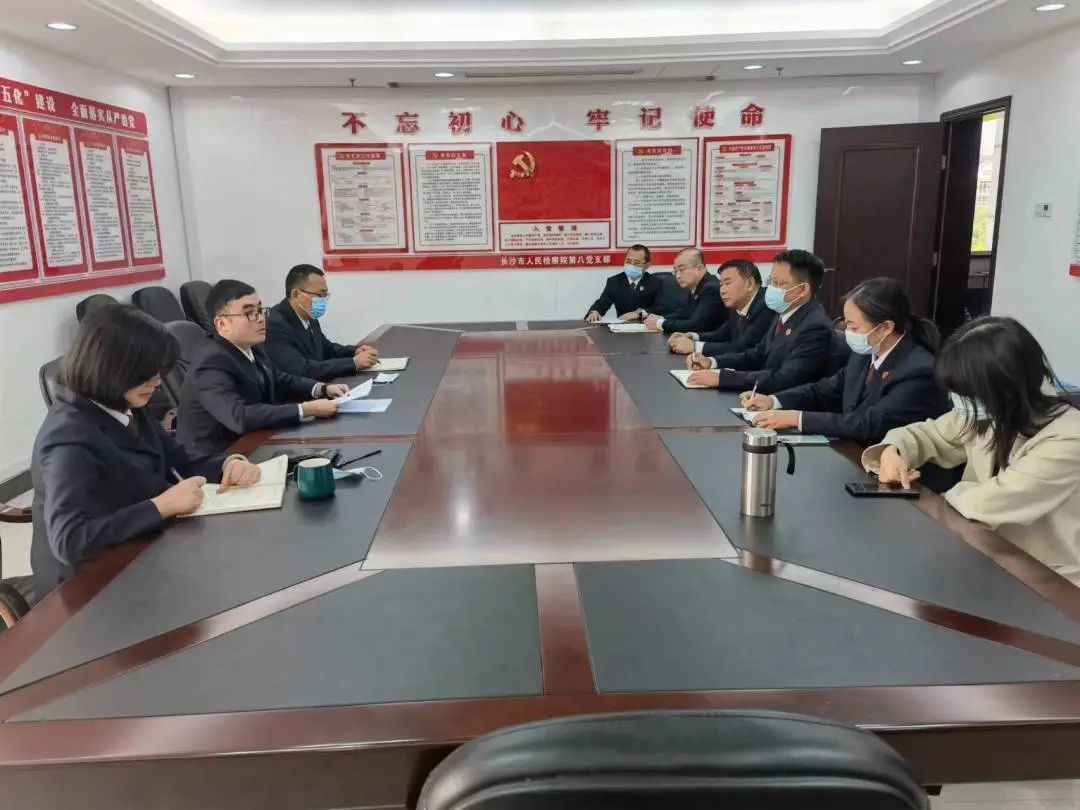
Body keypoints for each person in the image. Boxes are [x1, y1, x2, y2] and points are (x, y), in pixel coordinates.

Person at [30, 305, 263, 595]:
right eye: (146, 373)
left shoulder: (124, 402)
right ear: (111, 368)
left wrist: (228, 464)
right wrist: (161, 506)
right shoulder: (68, 438)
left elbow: (179, 459)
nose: (158, 382)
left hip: (140, 549)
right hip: (85, 588)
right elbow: (69, 540)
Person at [863, 316, 1080, 584]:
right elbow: (928, 434)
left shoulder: (1069, 438)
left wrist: (947, 495)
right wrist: (893, 451)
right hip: (983, 555)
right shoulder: (987, 413)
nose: (958, 402)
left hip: (1047, 580)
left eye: (966, 392)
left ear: (1007, 389)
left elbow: (993, 500)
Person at [742, 277, 948, 442]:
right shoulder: (865, 353)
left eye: (853, 326)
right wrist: (773, 400)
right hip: (852, 452)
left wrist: (797, 418)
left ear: (885, 327)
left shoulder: (918, 371)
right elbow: (824, 390)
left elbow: (869, 424)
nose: (847, 331)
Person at [177, 280, 347, 457]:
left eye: (259, 310)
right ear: (222, 324)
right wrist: (305, 409)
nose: (260, 318)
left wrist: (321, 388)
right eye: (249, 313)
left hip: (253, 441)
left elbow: (278, 380)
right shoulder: (211, 361)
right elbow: (239, 416)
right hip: (217, 458)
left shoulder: (253, 346)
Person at [686, 249, 838, 393]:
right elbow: (757, 354)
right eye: (771, 281)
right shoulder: (785, 312)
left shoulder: (815, 327)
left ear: (802, 290)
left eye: (779, 283)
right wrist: (712, 362)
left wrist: (722, 378)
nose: (771, 288)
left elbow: (784, 379)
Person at [265, 263, 378, 381]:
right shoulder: (275, 325)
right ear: (296, 294)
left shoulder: (309, 316)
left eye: (325, 295)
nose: (323, 300)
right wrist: (353, 363)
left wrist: (354, 351)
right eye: (319, 294)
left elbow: (327, 349)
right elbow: (301, 369)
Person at [667, 258, 769, 357]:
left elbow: (742, 348)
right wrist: (693, 336)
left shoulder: (766, 307)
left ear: (750, 284)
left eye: (728, 283)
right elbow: (722, 334)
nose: (722, 291)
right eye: (721, 285)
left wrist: (695, 347)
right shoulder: (737, 303)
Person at [641, 248, 725, 335]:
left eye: (681, 270)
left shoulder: (711, 289)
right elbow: (682, 313)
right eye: (675, 271)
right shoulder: (696, 286)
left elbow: (696, 325)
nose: (677, 276)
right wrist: (660, 318)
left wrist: (660, 323)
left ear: (699, 268)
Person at [584, 245, 663, 322]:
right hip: (621, 327)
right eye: (628, 261)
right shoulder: (614, 282)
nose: (631, 265)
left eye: (636, 263)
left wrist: (639, 313)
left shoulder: (655, 282)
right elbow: (602, 303)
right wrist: (595, 312)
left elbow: (661, 307)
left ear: (647, 265)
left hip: (648, 327)